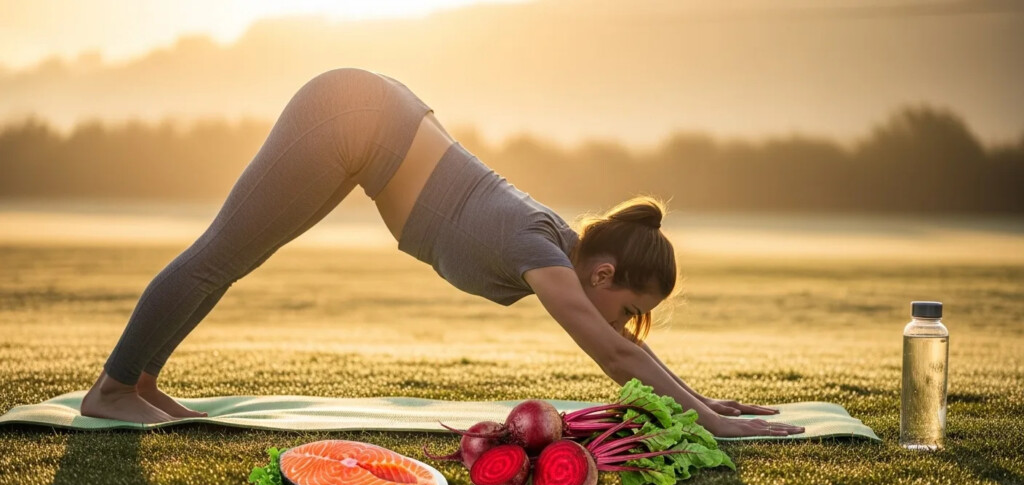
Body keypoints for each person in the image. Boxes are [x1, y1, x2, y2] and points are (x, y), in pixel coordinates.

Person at [80, 68, 804, 438]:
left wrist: (705, 399)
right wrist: (711, 422)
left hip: (368, 124)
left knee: (230, 259)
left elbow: (629, 356)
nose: (624, 326)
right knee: (218, 253)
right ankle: (113, 387)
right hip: (351, 115)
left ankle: (140, 382)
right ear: (604, 273)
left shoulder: (562, 244)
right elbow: (617, 362)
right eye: (629, 309)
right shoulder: (542, 252)